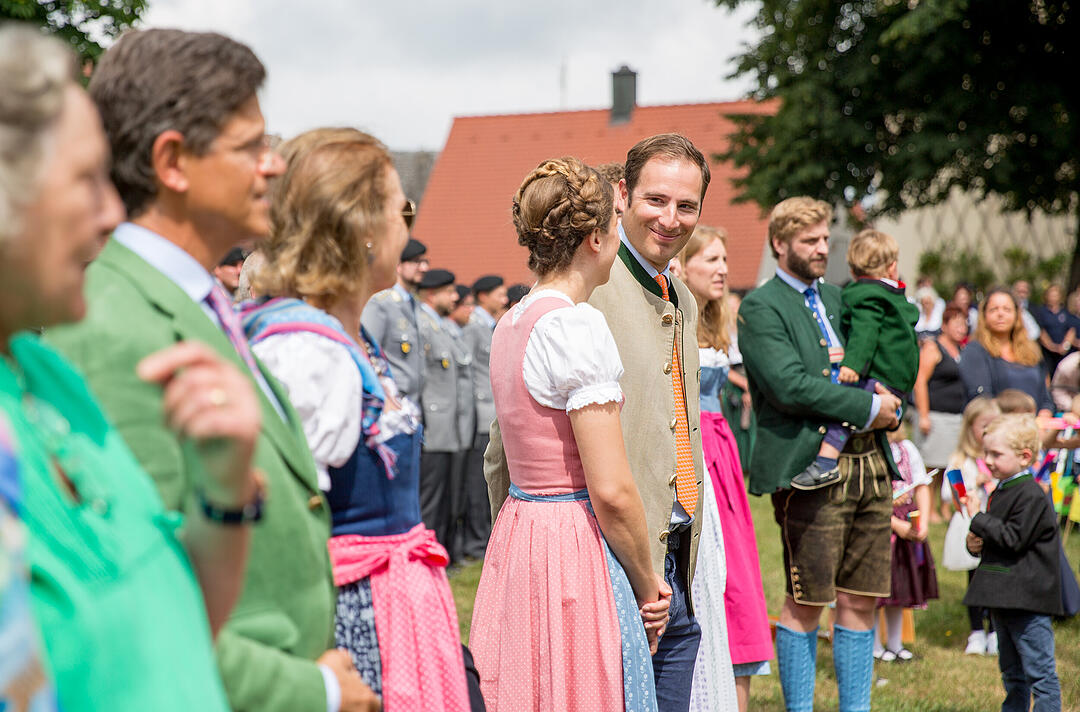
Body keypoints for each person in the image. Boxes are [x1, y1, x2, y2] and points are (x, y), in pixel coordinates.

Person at [42, 29, 377, 712]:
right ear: (174, 162)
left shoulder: (193, 300)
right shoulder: (112, 324)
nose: (274, 165)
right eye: (252, 145)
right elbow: (147, 593)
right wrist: (313, 692)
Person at [0, 25, 264, 710]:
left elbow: (175, 626)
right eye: (87, 181)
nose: (114, 210)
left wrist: (223, 489)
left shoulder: (43, 375)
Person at [239, 128, 471, 711]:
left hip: (390, 603)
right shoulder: (306, 353)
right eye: (404, 209)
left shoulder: (342, 336)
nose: (408, 226)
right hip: (353, 619)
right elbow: (279, 530)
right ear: (362, 227)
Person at [484, 134, 711, 711]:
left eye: (687, 206)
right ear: (619, 200)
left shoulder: (681, 297)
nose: (670, 218)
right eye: (655, 200)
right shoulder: (581, 307)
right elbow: (505, 451)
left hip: (674, 550)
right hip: (605, 558)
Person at [738, 196, 902, 712]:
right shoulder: (761, 307)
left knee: (862, 597)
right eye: (807, 240)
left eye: (824, 238)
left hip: (870, 461)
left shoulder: (841, 296)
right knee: (808, 599)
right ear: (778, 244)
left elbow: (881, 349)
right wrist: (870, 404)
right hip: (810, 470)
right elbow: (789, 387)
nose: (819, 248)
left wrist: (890, 403)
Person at [679, 226, 770, 712]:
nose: (722, 269)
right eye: (711, 260)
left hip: (720, 449)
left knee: (736, 572)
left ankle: (734, 689)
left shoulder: (718, 319)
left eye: (724, 260)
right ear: (683, 263)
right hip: (692, 449)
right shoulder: (671, 314)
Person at [790, 229, 919, 490]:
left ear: (852, 270)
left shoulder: (866, 296)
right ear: (892, 267)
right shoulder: (894, 296)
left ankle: (825, 463)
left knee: (846, 409)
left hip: (881, 373)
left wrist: (852, 365)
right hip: (901, 378)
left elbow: (865, 333)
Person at [963, 414, 1063, 712]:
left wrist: (978, 518)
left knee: (1039, 675)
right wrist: (976, 543)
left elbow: (1014, 538)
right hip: (1002, 597)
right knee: (1012, 673)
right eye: (986, 453)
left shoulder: (1030, 494)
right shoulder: (1002, 491)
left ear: (1024, 457)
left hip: (1027, 600)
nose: (988, 460)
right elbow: (999, 540)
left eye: (996, 454)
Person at [873, 427, 938, 662]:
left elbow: (922, 485)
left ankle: (895, 643)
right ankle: (874, 646)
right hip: (878, 529)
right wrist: (893, 523)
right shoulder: (870, 450)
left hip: (907, 525)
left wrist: (923, 524)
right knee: (875, 592)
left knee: (899, 587)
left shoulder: (907, 448)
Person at [416, 268, 466, 552]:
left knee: (444, 496)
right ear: (433, 294)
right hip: (433, 428)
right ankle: (424, 556)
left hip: (446, 428)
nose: (455, 297)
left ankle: (438, 552)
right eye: (449, 292)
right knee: (430, 500)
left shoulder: (439, 326)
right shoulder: (422, 324)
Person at [457, 275, 505, 560]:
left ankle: (483, 538)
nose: (502, 299)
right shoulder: (474, 327)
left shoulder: (487, 325)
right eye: (498, 294)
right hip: (480, 414)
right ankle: (476, 542)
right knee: (479, 483)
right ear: (483, 296)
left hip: (489, 412)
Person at [913, 304, 969, 521]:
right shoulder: (933, 347)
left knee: (951, 466)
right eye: (956, 323)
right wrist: (924, 415)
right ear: (944, 325)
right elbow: (919, 382)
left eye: (964, 324)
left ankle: (946, 507)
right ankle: (929, 509)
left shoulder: (962, 351)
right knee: (931, 466)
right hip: (935, 416)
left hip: (956, 418)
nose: (961, 328)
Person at [959, 287, 1053, 416]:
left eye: (1007, 309)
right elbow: (981, 399)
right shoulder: (975, 350)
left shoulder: (1031, 351)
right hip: (997, 428)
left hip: (1034, 429)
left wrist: (1045, 415)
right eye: (994, 309)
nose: (1000, 314)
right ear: (984, 315)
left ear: (1016, 315)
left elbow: (1045, 397)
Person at [361, 236, 427, 401]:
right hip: (392, 401)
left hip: (415, 403)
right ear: (398, 265)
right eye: (416, 262)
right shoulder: (381, 304)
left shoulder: (415, 306)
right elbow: (368, 352)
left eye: (425, 261)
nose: (424, 267)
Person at [1033, 283, 1074, 376]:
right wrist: (1052, 347)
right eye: (1051, 294)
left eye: (1056, 294)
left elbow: (1071, 330)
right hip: (1047, 353)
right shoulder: (1041, 311)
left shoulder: (1065, 312)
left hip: (1063, 352)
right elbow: (1041, 331)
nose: (1053, 297)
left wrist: (1065, 346)